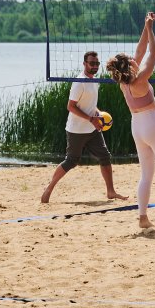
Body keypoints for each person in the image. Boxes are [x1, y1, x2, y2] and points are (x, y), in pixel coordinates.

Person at [106, 12, 155, 232]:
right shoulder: (140, 79)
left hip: (137, 126)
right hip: (153, 124)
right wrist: (152, 32)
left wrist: (146, 26)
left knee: (146, 174)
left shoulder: (123, 83)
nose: (133, 58)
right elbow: (153, 53)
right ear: (129, 66)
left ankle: (143, 217)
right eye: (130, 60)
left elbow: (141, 50)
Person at [41, 51, 128, 204]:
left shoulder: (95, 81)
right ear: (84, 64)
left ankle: (110, 191)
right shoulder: (79, 82)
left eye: (97, 63)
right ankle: (49, 189)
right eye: (91, 63)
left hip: (92, 128)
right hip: (76, 129)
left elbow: (90, 105)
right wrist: (90, 119)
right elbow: (71, 106)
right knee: (71, 161)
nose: (95, 66)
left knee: (105, 156)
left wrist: (99, 114)